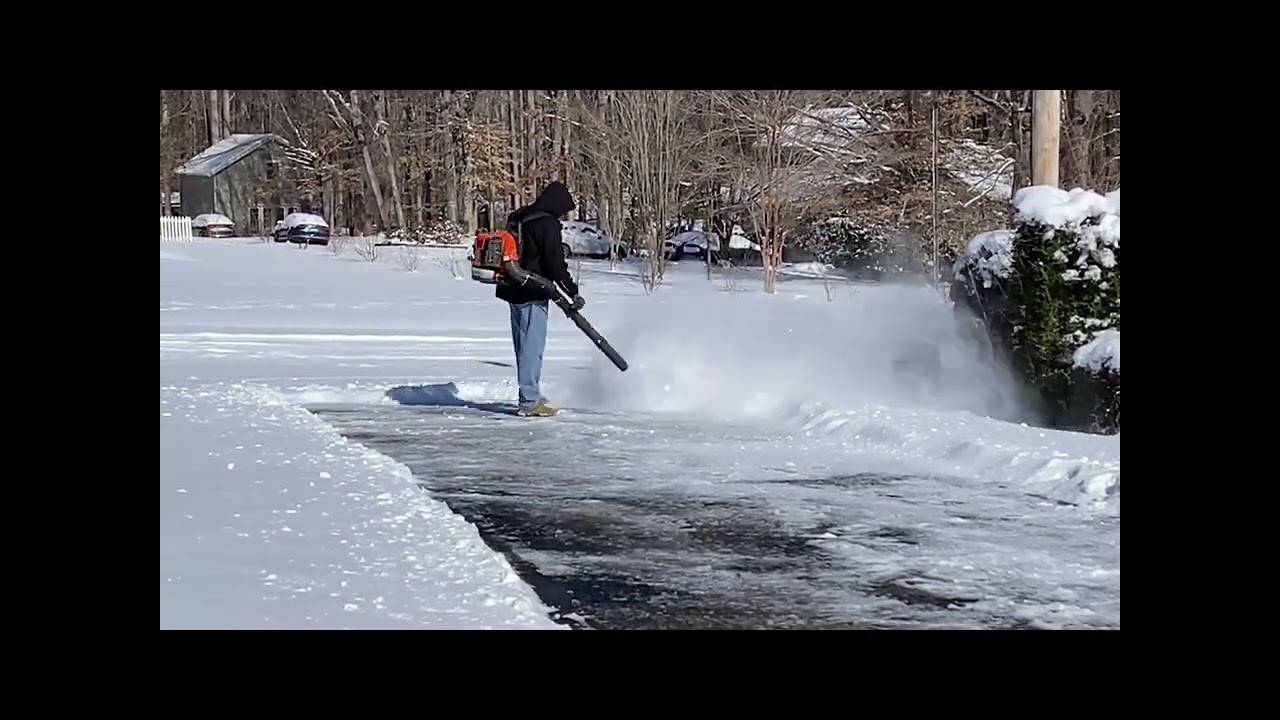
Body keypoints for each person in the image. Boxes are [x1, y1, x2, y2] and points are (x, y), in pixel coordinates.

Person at [497, 181, 581, 417]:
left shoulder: (521, 215)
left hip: (512, 288)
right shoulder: (547, 223)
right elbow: (554, 264)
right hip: (533, 291)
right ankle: (530, 401)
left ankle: (528, 394)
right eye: (564, 210)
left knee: (522, 347)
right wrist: (572, 290)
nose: (563, 215)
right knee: (532, 348)